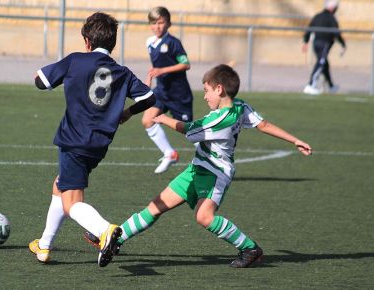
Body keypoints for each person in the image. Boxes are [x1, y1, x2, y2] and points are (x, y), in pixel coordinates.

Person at [84, 64, 313, 267]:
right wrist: (295, 140)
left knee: (204, 217)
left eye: (206, 91)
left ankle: (250, 248)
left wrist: (163, 119)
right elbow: (263, 125)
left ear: (219, 89)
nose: (204, 97)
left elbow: (189, 129)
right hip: (197, 169)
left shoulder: (220, 119)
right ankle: (115, 240)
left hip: (215, 174)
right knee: (156, 205)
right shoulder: (240, 106)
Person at [28, 12, 155, 267]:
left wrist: (47, 74)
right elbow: (150, 97)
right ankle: (44, 245)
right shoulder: (123, 72)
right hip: (98, 145)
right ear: (113, 43)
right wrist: (127, 113)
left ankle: (105, 231)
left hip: (73, 140)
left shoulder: (76, 60)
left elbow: (40, 81)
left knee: (71, 202)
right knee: (60, 185)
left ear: (86, 40)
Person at [142, 6, 194, 173]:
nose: (157, 26)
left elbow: (186, 64)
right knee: (147, 120)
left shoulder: (173, 43)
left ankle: (213, 155)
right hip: (161, 91)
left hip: (179, 94)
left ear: (168, 23)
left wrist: (162, 70)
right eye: (153, 23)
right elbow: (156, 65)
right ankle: (169, 153)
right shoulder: (150, 42)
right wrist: (150, 76)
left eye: (161, 22)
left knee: (189, 132)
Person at [302, 0, 346, 95]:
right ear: (333, 8)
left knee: (324, 64)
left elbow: (309, 29)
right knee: (321, 62)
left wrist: (305, 41)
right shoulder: (331, 18)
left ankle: (331, 86)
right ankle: (310, 85)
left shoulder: (317, 16)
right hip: (324, 44)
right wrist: (343, 44)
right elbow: (336, 32)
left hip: (316, 44)